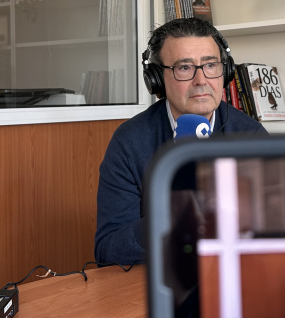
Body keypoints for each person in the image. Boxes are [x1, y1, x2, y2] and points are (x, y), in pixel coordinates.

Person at [95, 17, 267, 265]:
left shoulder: (250, 136)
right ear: (156, 80)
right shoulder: (129, 142)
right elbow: (107, 251)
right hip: (160, 286)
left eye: (210, 65)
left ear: (225, 71)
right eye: (184, 68)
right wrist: (168, 216)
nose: (201, 80)